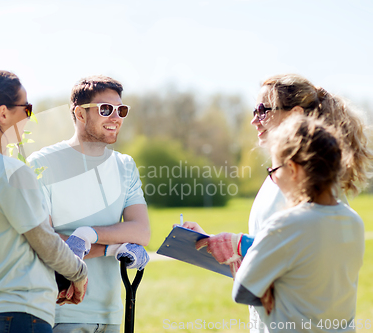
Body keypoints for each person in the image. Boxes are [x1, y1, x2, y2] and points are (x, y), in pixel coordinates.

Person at [183, 74, 372, 332]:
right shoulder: (298, 184)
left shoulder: (301, 186)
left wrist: (238, 246)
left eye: (262, 110)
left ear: (295, 114)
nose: (254, 119)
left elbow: (304, 251)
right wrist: (223, 243)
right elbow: (283, 251)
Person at [0, 69, 88, 333]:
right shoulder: (10, 171)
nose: (28, 116)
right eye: (26, 108)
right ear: (3, 113)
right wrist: (78, 274)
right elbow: (44, 240)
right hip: (18, 317)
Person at [27, 75, 150, 333]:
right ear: (80, 114)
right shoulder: (41, 164)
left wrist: (86, 236)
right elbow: (44, 242)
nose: (116, 117)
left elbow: (141, 232)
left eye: (121, 110)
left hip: (111, 312)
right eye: (105, 109)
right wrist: (114, 248)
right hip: (60, 311)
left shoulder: (125, 165)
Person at [232, 114, 364, 332]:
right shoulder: (354, 222)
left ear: (292, 169)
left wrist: (271, 289)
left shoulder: (286, 224)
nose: (274, 180)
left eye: (274, 171)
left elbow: (243, 290)